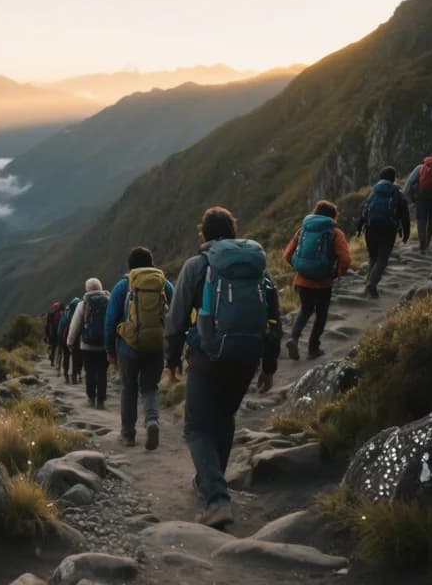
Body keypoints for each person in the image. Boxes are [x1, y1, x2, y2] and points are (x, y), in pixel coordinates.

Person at [165, 206, 281, 529]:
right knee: (224, 418)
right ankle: (211, 480)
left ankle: (217, 499)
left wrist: (172, 360)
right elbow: (273, 318)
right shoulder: (257, 267)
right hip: (246, 359)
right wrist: (268, 366)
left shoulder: (196, 266)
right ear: (233, 232)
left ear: (203, 234)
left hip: (207, 359)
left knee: (196, 428)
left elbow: (175, 320)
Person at [105, 247, 174, 450]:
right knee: (150, 387)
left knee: (129, 388)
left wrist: (110, 350)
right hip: (156, 344)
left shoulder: (122, 286)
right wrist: (173, 349)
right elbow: (176, 315)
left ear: (130, 266)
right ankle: (152, 420)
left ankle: (128, 434)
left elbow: (110, 321)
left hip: (129, 346)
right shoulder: (165, 285)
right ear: (152, 263)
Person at [283, 200, 351, 360]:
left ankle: (293, 338)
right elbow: (345, 259)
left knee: (305, 310)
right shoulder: (335, 233)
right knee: (321, 314)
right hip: (323, 282)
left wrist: (301, 267)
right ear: (333, 217)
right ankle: (313, 348)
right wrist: (337, 272)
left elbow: (287, 255)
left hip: (302, 281)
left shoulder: (303, 230)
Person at [356, 167, 410, 298]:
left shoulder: (374, 191)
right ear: (394, 178)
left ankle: (368, 284)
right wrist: (406, 232)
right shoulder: (397, 192)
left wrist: (359, 227)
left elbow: (364, 209)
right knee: (382, 258)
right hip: (388, 229)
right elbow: (404, 214)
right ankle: (372, 284)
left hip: (371, 227)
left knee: (373, 256)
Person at [68, 279, 110, 408]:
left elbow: (75, 324)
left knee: (90, 371)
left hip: (87, 346)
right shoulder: (109, 302)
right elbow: (113, 321)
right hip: (104, 345)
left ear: (87, 289)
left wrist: (70, 341)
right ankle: (101, 400)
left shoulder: (83, 304)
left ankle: (91, 397)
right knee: (102, 372)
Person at [58, 297, 81, 384]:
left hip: (65, 339)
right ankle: (75, 376)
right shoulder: (80, 313)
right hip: (77, 339)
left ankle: (66, 374)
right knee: (76, 358)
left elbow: (61, 327)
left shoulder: (65, 314)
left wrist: (60, 338)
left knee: (66, 356)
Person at [45, 302, 64, 369]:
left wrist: (47, 335)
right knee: (59, 349)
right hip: (60, 334)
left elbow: (47, 326)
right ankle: (58, 362)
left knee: (53, 348)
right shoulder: (62, 315)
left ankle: (53, 361)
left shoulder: (51, 315)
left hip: (53, 335)